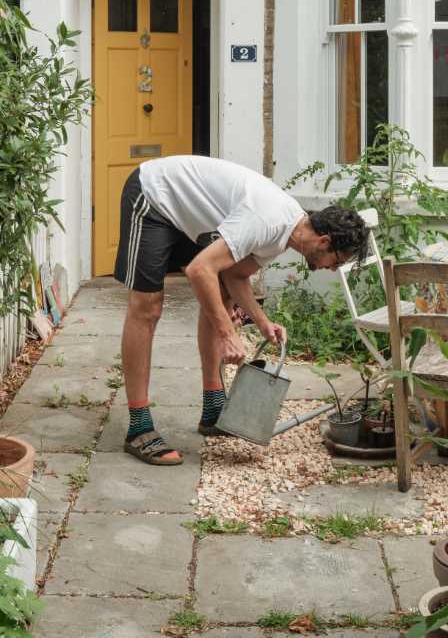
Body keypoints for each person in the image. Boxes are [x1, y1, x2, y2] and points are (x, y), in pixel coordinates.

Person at [113, 154, 368, 465]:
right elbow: (199, 270)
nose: (332, 269)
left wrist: (262, 322)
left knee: (221, 291)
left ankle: (214, 409)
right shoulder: (267, 221)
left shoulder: (286, 234)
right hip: (153, 195)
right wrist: (228, 332)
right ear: (324, 241)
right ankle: (139, 427)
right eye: (337, 262)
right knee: (147, 306)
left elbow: (234, 274)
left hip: (185, 213)